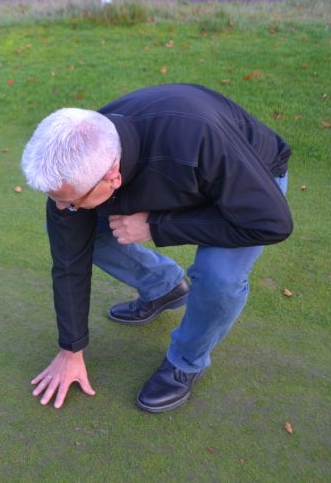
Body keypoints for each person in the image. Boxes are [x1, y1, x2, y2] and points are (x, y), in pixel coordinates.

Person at [21, 83, 292, 412]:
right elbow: (69, 261)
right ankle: (164, 287)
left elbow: (270, 223)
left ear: (112, 178)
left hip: (248, 185)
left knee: (218, 277)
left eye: (71, 201)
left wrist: (156, 225)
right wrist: (70, 349)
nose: (63, 208)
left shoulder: (198, 136)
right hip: (175, 177)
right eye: (56, 199)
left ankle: (186, 362)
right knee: (82, 233)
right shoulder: (82, 162)